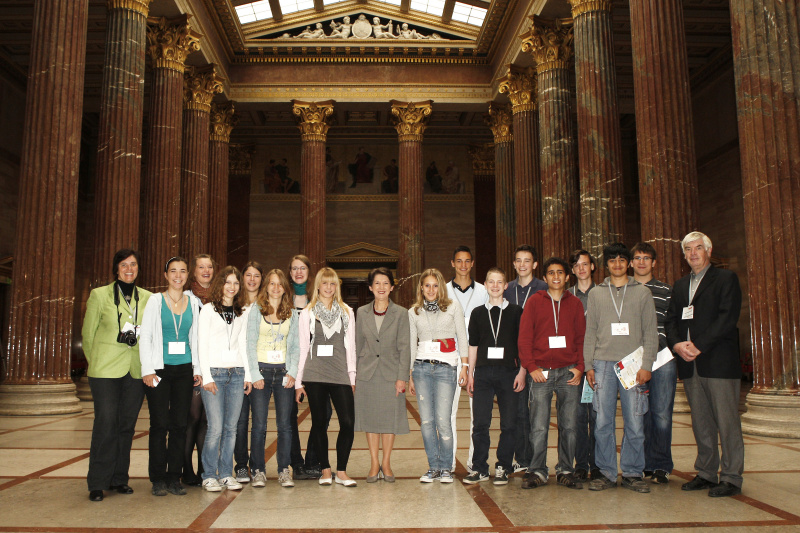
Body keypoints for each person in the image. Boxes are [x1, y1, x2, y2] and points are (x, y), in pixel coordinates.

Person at [666, 231, 744, 498]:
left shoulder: (725, 279)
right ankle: (707, 473)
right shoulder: (679, 285)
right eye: (688, 249)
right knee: (701, 422)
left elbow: (727, 318)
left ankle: (732, 477)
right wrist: (677, 345)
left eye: (698, 248)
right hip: (689, 364)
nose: (693, 253)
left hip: (718, 362)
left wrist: (698, 345)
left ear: (708, 251)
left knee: (727, 422)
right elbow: (671, 321)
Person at [584, 243, 658, 493]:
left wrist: (647, 365)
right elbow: (590, 332)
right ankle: (605, 472)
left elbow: (650, 333)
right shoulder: (596, 293)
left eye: (621, 259)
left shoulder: (642, 293)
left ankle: (633, 472)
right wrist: (588, 366)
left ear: (628, 263)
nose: (617, 264)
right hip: (603, 364)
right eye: (612, 260)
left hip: (633, 365)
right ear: (606, 265)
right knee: (603, 421)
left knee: (635, 421)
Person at [82, 249, 153, 502]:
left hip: (134, 370)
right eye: (124, 265)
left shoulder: (147, 298)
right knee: (106, 423)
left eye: (133, 264)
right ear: (116, 268)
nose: (129, 269)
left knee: (126, 426)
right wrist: (96, 363)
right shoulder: (99, 295)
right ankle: (98, 481)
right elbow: (88, 335)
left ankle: (119, 478)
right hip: (105, 371)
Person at [518, 258, 586, 490]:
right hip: (541, 373)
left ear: (568, 277)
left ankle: (566, 469)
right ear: (544, 278)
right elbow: (524, 337)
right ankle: (537, 470)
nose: (556, 277)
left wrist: (580, 366)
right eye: (551, 273)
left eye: (560, 272)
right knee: (538, 425)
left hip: (569, 372)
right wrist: (531, 366)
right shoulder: (534, 302)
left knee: (569, 425)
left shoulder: (575, 303)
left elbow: (582, 338)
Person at [139, 256, 202, 497]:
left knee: (179, 425)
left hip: (184, 369)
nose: (178, 275)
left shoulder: (194, 302)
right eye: (173, 271)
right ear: (166, 275)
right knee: (159, 425)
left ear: (188, 275)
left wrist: (196, 370)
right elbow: (146, 337)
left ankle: (174, 476)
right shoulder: (155, 301)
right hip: (159, 370)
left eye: (183, 271)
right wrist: (147, 370)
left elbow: (194, 339)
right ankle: (157, 477)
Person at [198, 266, 260, 492]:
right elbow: (201, 345)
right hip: (214, 373)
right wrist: (206, 376)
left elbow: (244, 344)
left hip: (237, 374)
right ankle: (208, 474)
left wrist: (249, 376)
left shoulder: (241, 311)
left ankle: (225, 473)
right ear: (220, 285)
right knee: (215, 427)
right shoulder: (207, 310)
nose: (232, 287)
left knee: (231, 428)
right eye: (228, 282)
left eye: (236, 283)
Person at [295, 267, 358, 487]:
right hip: (315, 374)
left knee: (348, 422)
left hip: (340, 373)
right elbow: (304, 347)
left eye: (333, 284)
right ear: (318, 285)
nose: (329, 287)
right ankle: (325, 469)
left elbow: (351, 347)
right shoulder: (307, 312)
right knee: (319, 423)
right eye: (325, 283)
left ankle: (341, 471)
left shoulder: (347, 311)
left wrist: (352, 377)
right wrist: (298, 382)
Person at [463, 268, 525, 486]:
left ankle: (503, 466)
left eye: (500, 282)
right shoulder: (477, 313)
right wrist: (470, 374)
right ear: (486, 284)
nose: (496, 285)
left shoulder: (517, 312)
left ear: (506, 285)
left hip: (509, 372)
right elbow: (473, 345)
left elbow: (523, 345)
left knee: (509, 423)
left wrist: (523, 371)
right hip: (483, 373)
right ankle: (479, 467)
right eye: (491, 282)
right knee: (480, 423)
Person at [409, 268, 468, 483]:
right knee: (426, 421)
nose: (431, 289)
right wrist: (410, 373)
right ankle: (432, 467)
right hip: (422, 369)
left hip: (446, 369)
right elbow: (411, 344)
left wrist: (465, 365)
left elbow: (462, 336)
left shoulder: (452, 307)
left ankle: (445, 468)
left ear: (440, 287)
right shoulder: (413, 311)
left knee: (443, 421)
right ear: (421, 288)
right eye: (427, 286)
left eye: (435, 285)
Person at [245, 269, 300, 488]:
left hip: (283, 373)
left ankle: (284, 469)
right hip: (261, 372)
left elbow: (295, 346)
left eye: (280, 284)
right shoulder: (256, 311)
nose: (276, 288)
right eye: (272, 284)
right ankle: (258, 469)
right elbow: (249, 343)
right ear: (266, 286)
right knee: (258, 424)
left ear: (285, 288)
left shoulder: (292, 313)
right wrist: (254, 374)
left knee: (285, 425)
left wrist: (293, 372)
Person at [355, 268, 411, 483]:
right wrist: (356, 375)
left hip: (391, 374)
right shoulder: (361, 313)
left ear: (392, 287)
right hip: (367, 374)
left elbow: (405, 347)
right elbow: (358, 344)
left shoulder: (401, 313)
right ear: (370, 287)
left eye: (385, 283)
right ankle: (373, 463)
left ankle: (386, 462)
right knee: (371, 420)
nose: (381, 287)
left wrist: (402, 377)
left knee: (389, 420)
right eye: (377, 283)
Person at [630, 242, 676, 485]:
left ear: (654, 262)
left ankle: (660, 465)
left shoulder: (666, 290)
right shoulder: (624, 290)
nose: (641, 262)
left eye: (646, 258)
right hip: (633, 360)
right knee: (639, 413)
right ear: (630, 262)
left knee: (661, 414)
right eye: (637, 258)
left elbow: (672, 324)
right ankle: (643, 463)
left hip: (662, 358)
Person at [503, 244, 547, 474]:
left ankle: (538, 459)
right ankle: (522, 458)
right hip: (512, 357)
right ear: (514, 264)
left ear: (535, 264)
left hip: (538, 355)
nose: (522, 265)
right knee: (518, 410)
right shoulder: (507, 289)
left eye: (527, 260)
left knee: (539, 411)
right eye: (518, 260)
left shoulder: (544, 288)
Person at [287, 254, 329, 480]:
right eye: (294, 269)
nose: (298, 272)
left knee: (324, 412)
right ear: (290, 272)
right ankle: (296, 463)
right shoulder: (283, 298)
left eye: (302, 268)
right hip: (288, 366)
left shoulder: (317, 302)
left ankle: (313, 459)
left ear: (309, 272)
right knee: (288, 416)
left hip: (314, 366)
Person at [446, 246, 488, 473]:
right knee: (448, 413)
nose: (463, 265)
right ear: (452, 263)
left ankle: (474, 461)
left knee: (477, 413)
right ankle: (449, 463)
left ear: (472, 264)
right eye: (458, 261)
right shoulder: (442, 291)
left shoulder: (483, 291)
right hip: (450, 356)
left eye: (467, 261)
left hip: (477, 357)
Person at [183, 254, 216, 486]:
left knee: (206, 419)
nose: (206, 270)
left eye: (209, 267)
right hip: (192, 367)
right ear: (193, 272)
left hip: (212, 366)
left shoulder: (218, 298)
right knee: (192, 417)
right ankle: (186, 468)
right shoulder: (186, 298)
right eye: (201, 267)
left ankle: (205, 467)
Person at [568, 249, 598, 481]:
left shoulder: (604, 294)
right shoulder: (567, 296)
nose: (581, 268)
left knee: (599, 415)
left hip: (599, 363)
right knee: (577, 416)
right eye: (577, 265)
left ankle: (598, 464)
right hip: (575, 363)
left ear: (592, 267)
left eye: (585, 264)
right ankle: (581, 463)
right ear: (573, 270)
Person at [233, 261, 264, 484]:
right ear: (242, 278)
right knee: (240, 421)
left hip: (260, 369)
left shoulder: (266, 305)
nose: (252, 279)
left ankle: (258, 465)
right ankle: (241, 465)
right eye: (248, 275)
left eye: (256, 276)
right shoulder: (234, 304)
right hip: (237, 370)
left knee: (260, 422)